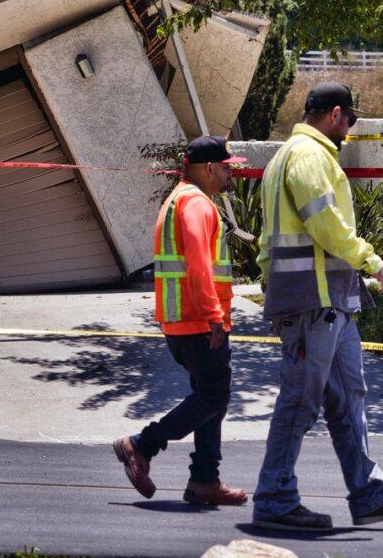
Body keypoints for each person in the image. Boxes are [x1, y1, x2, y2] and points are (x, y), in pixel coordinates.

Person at [252, 82, 383, 531]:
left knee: (349, 399)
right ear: (334, 114)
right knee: (300, 401)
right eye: (349, 119)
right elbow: (326, 225)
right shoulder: (309, 157)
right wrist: (372, 260)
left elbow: (264, 245)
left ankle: (369, 493)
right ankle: (274, 497)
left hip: (327, 304)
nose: (349, 128)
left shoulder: (280, 160)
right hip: (314, 305)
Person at [113, 135, 248, 506]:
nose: (229, 174)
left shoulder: (180, 199)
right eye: (225, 168)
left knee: (210, 398)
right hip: (198, 323)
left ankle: (205, 479)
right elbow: (198, 265)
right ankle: (142, 445)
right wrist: (214, 318)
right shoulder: (195, 205)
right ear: (208, 168)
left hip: (183, 322)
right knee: (214, 395)